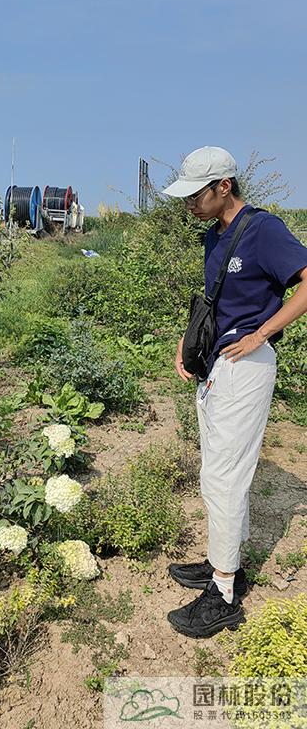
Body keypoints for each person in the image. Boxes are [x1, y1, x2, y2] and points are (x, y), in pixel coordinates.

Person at [163, 146, 307, 639]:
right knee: (215, 472)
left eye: (195, 194)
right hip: (217, 365)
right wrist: (189, 341)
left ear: (224, 186)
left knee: (225, 477)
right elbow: (214, 297)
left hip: (246, 368)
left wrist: (262, 332)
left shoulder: (263, 230)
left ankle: (223, 593)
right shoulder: (214, 235)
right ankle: (226, 563)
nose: (189, 204)